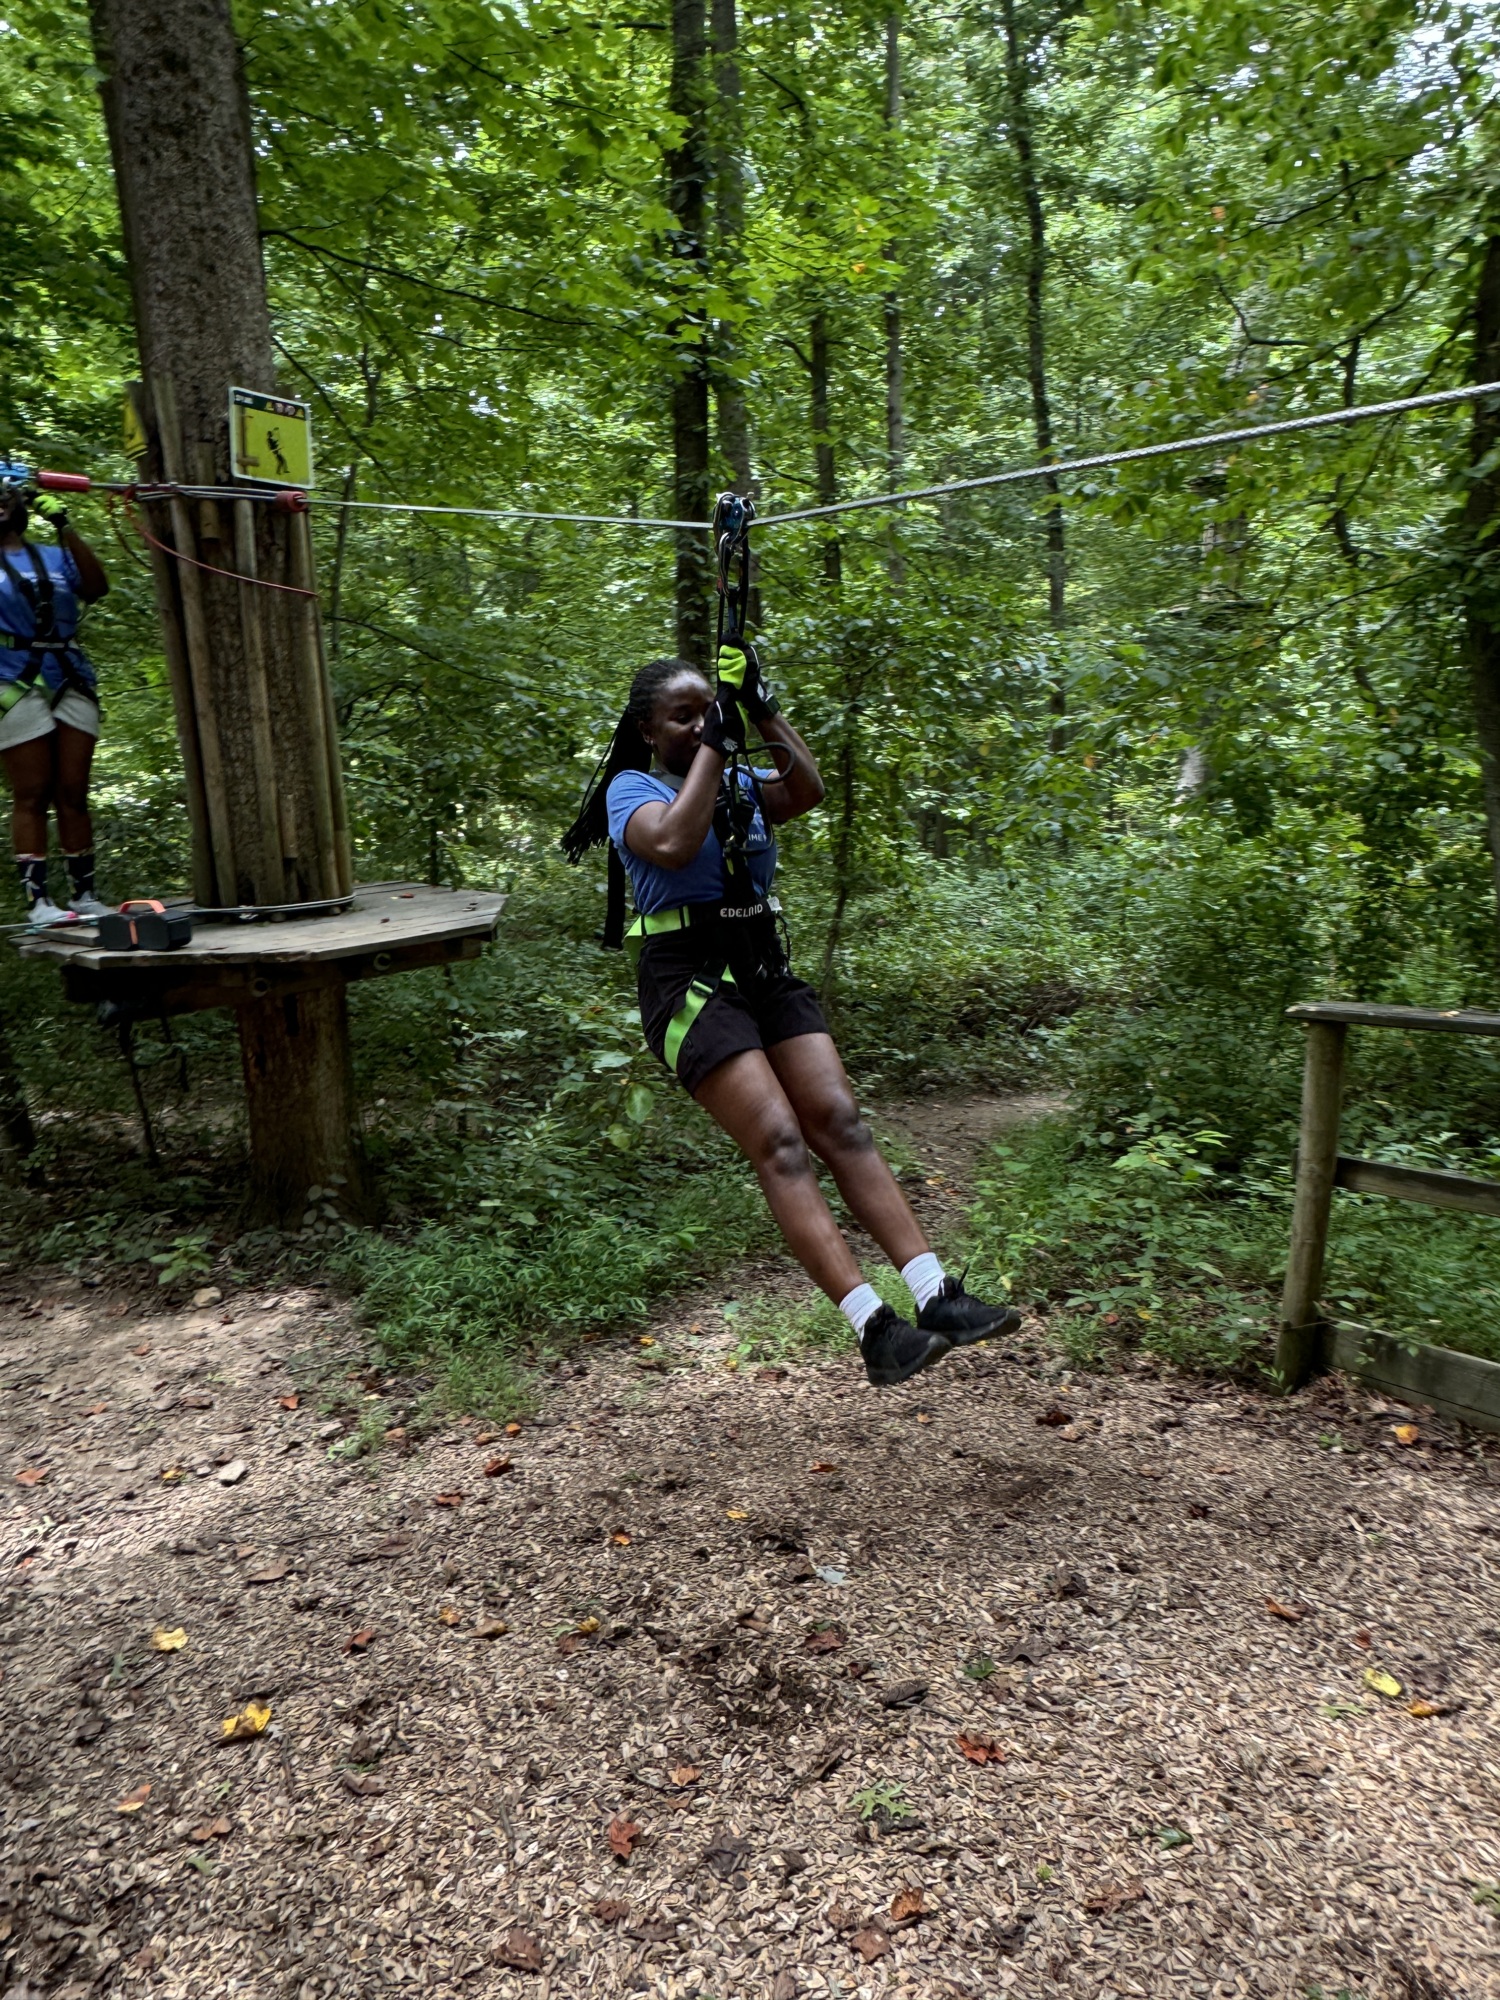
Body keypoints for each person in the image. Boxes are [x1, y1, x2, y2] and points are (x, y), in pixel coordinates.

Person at [564, 652, 1022, 1387]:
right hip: (687, 977)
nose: (700, 724)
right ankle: (875, 1327)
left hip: (760, 962)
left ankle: (938, 1294)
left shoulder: (738, 776)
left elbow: (804, 788)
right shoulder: (632, 789)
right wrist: (717, 743)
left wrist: (764, 708)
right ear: (649, 729)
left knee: (839, 1120)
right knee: (779, 1140)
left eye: (706, 710)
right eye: (682, 716)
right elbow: (676, 842)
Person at [0, 477, 111, 928]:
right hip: (10, 677)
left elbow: (96, 586)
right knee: (31, 793)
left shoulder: (52, 555)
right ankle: (39, 901)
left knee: (73, 792)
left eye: (6, 499)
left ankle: (85, 894)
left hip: (68, 672)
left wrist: (63, 523)